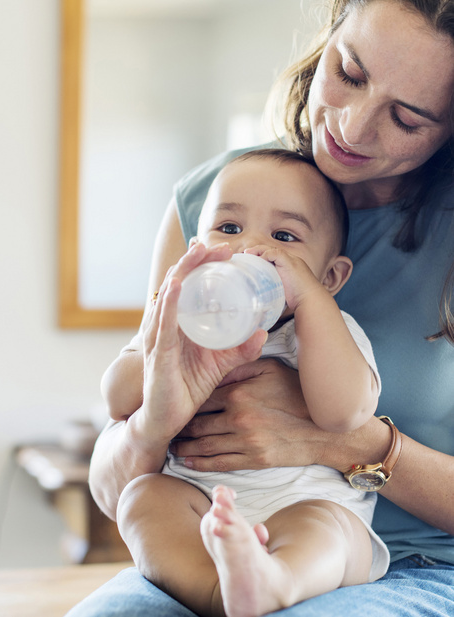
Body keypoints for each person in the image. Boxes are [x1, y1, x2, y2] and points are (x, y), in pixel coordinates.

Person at [66, 1, 454, 615]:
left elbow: (344, 406)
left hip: (411, 561)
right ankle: (228, 593)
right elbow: (119, 480)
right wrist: (154, 418)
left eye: (406, 118)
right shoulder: (218, 193)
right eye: (348, 74)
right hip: (211, 535)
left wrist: (344, 443)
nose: (351, 129)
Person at [116, 149, 386, 617]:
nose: (250, 249)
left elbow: (344, 414)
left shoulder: (326, 330)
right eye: (228, 229)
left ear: (331, 276)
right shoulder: (179, 325)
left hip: (307, 505)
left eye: (284, 235)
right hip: (201, 505)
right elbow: (117, 398)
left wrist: (312, 304)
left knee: (328, 526)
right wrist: (165, 343)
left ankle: (276, 580)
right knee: (142, 498)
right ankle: (217, 591)